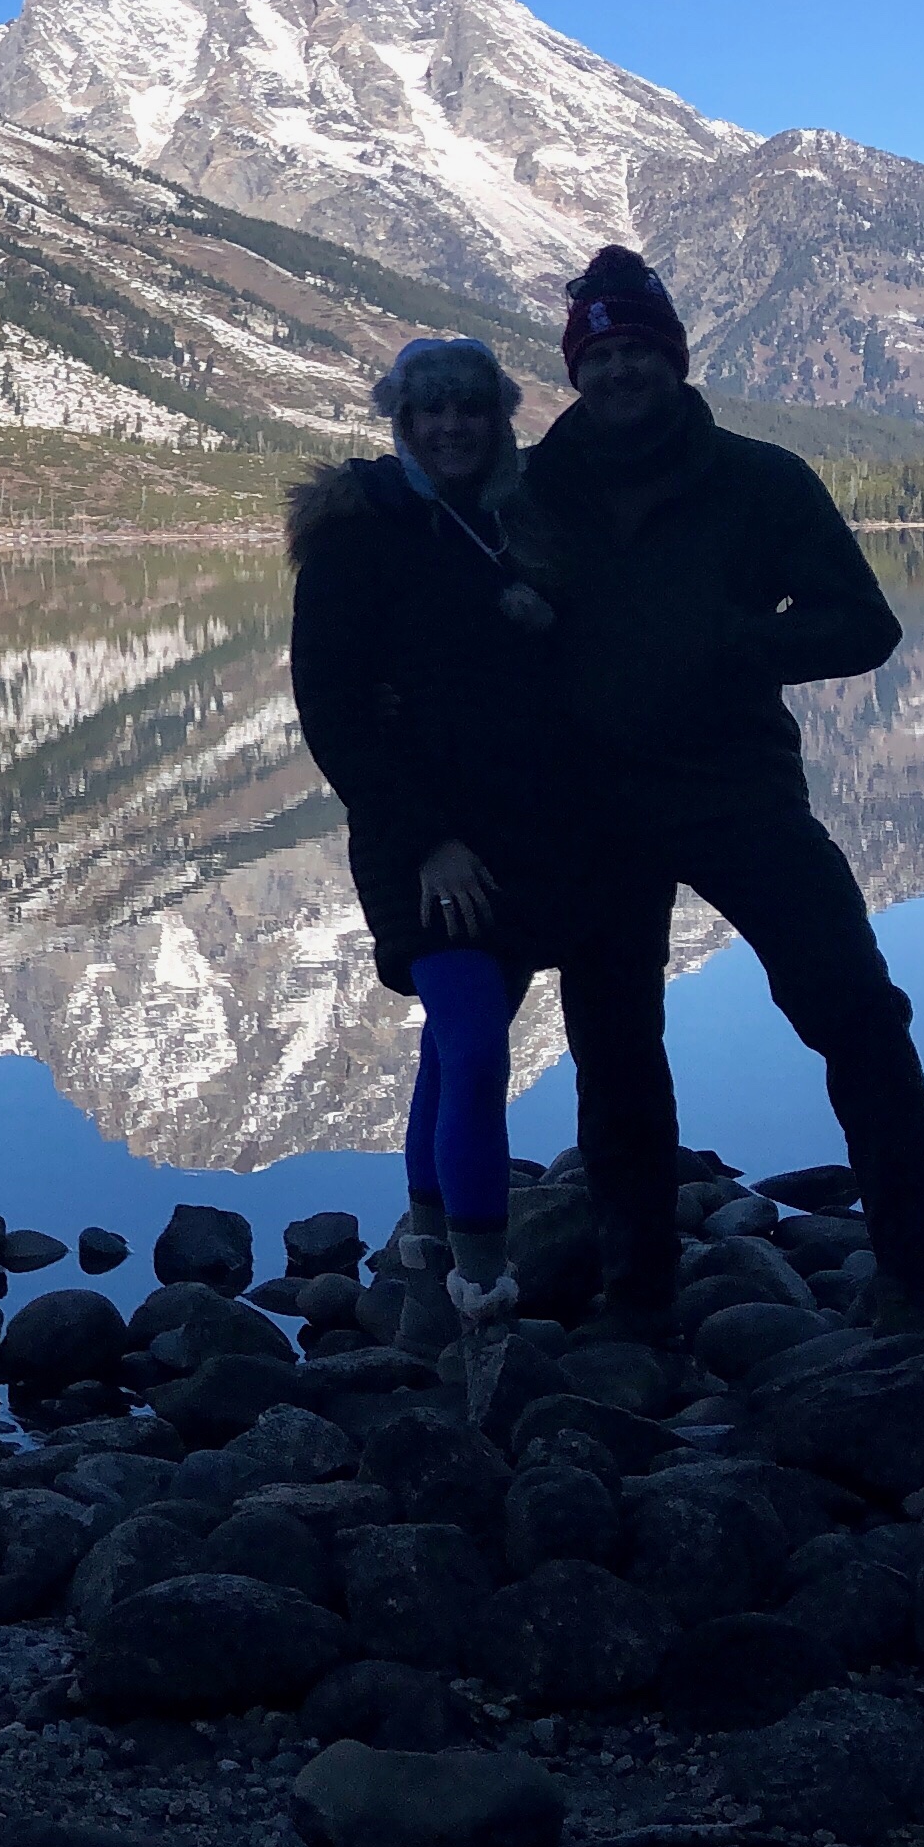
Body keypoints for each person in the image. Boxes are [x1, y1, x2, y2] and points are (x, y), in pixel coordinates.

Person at [516, 245, 924, 1334]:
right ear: (578, 369)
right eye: (602, 353)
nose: (622, 371)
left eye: (640, 351)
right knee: (615, 1046)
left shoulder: (761, 481)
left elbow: (864, 626)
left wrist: (735, 645)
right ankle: (639, 1294)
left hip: (739, 791)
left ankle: (920, 1262)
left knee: (853, 1007)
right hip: (596, 808)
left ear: (675, 359)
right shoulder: (530, 488)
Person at [287, 332, 588, 1358]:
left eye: (473, 408)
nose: (454, 426)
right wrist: (426, 843)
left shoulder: (525, 521)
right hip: (419, 843)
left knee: (455, 1045)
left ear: (498, 417)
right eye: (433, 410)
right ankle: (482, 1288)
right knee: (471, 1041)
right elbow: (330, 709)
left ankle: (423, 1253)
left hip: (522, 830)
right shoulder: (358, 531)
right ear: (402, 421)